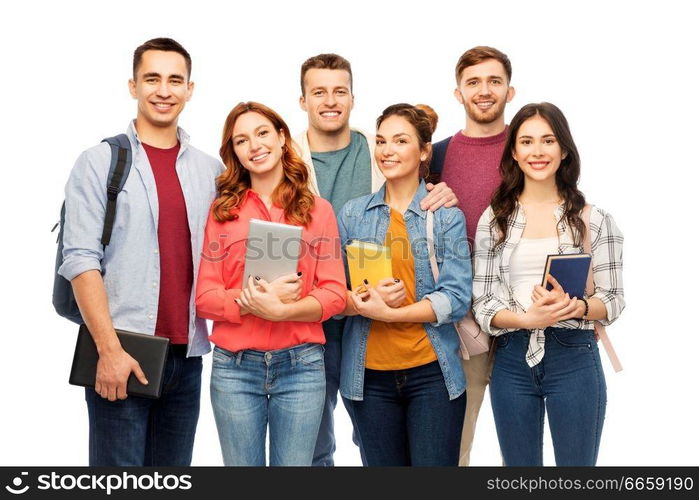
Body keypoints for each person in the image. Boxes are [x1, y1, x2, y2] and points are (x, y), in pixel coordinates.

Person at [57, 38, 223, 466]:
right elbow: (79, 259)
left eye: (174, 80)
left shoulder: (211, 170)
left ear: (190, 89)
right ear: (133, 86)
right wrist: (109, 351)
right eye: (152, 78)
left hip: (187, 357)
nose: (163, 90)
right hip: (121, 350)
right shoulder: (98, 161)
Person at [295, 53, 458, 466]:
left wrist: (441, 192)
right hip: (307, 318)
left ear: (353, 98)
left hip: (373, 333)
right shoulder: (284, 157)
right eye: (319, 92)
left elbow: (410, 176)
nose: (330, 101)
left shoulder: (373, 149)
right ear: (303, 101)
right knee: (312, 448)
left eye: (340, 91)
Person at [472, 102, 625, 466]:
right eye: (526, 142)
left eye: (548, 140)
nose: (537, 151)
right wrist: (526, 320)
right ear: (513, 151)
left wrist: (579, 307)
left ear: (564, 149)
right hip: (511, 358)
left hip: (574, 355)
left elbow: (614, 298)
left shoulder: (594, 219)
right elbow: (482, 303)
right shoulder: (495, 220)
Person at [196, 101, 347, 466]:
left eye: (262, 133)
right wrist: (251, 301)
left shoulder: (317, 209)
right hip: (235, 369)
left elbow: (334, 293)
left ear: (282, 138)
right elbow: (204, 298)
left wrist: (286, 309)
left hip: (302, 368)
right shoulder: (222, 212)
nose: (255, 146)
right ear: (234, 152)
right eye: (241, 140)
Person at [337, 103, 471, 466]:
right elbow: (334, 293)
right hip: (369, 379)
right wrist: (366, 299)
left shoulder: (445, 216)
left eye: (400, 140)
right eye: (381, 141)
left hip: (432, 375)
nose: (387, 150)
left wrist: (392, 314)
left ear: (424, 150)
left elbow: (456, 297)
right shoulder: (352, 214)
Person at [428, 46, 515, 466]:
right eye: (473, 82)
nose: (484, 91)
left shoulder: (531, 148)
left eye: (494, 81)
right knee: (454, 444)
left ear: (510, 91)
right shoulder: (437, 156)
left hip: (525, 313)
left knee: (524, 445)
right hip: (463, 321)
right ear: (458, 93)